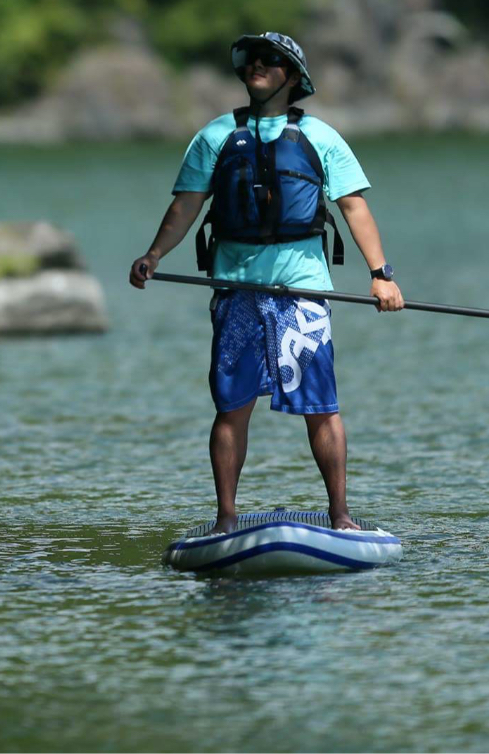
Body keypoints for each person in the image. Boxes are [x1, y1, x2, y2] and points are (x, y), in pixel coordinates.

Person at [129, 32, 403, 533]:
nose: (257, 65)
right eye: (252, 59)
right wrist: (153, 254)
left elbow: (353, 206)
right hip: (236, 290)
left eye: (271, 60)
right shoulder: (214, 135)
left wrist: (381, 275)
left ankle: (340, 516)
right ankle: (226, 519)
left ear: (292, 77)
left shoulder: (320, 137)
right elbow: (186, 205)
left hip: (303, 293)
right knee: (231, 406)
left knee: (321, 406)